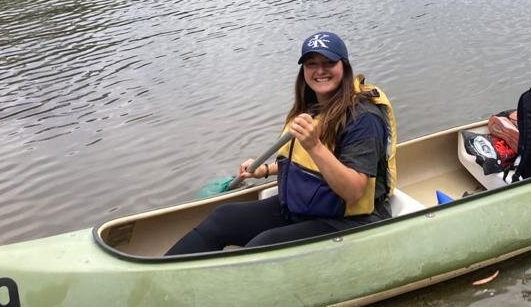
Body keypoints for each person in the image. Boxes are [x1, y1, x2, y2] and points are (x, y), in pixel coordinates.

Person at [167, 31, 396, 254]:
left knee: (262, 245)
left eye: (328, 63)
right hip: (308, 203)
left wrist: (314, 146)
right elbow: (304, 164)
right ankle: (161, 276)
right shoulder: (312, 107)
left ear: (344, 67)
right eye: (311, 64)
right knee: (223, 217)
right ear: (303, 70)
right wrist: (264, 170)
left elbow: (354, 191)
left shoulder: (363, 118)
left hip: (351, 218)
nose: (319, 71)